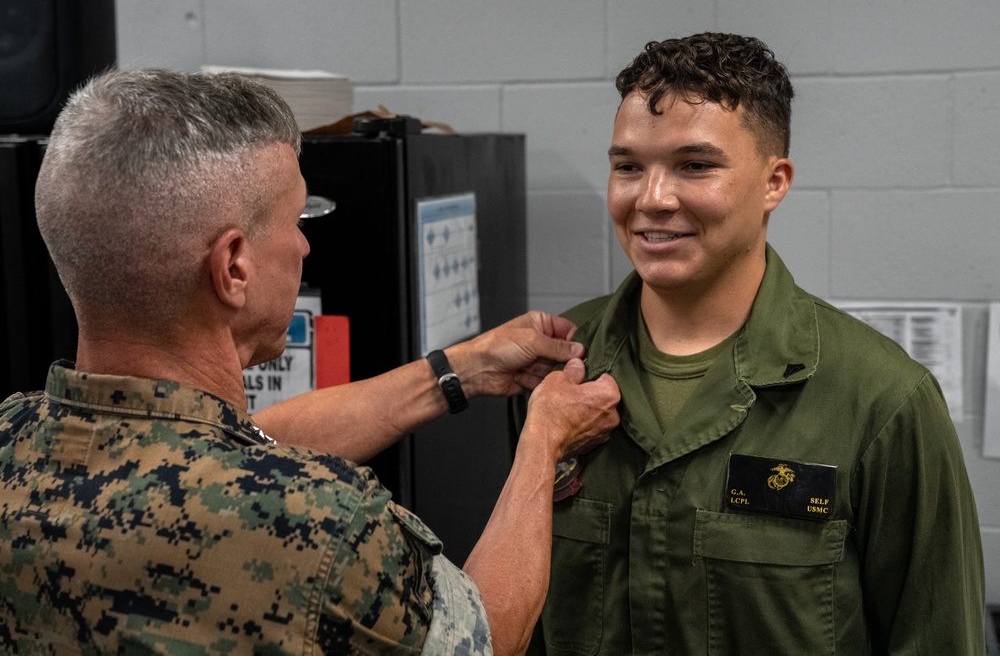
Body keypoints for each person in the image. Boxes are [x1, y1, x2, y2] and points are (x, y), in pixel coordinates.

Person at [0, 69, 621, 655]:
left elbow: (242, 446)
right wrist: (544, 440)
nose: (304, 243)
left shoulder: (15, 441)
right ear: (233, 266)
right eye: (295, 220)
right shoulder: (329, 527)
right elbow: (488, 636)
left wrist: (459, 369)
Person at [515, 32, 986, 654]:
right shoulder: (554, 372)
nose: (652, 199)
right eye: (628, 166)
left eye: (696, 165)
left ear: (774, 182)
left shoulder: (882, 400)